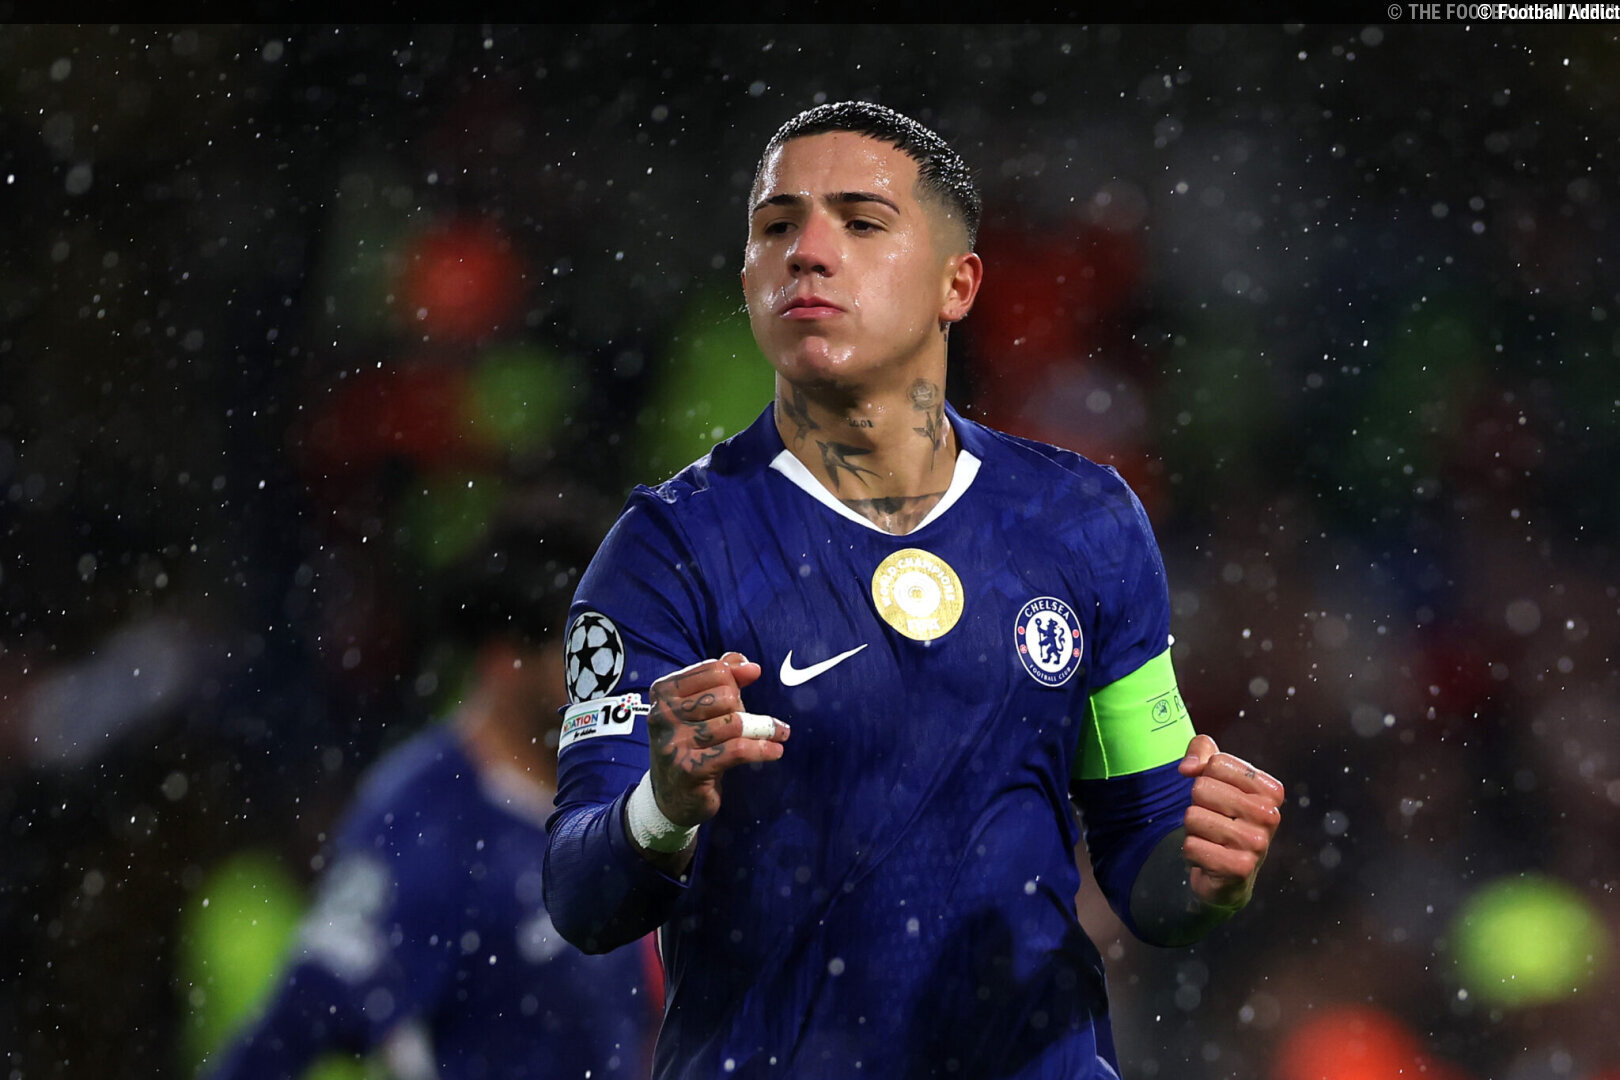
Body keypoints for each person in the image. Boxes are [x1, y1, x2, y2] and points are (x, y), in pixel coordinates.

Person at [543, 100, 1284, 1078]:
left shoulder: (1083, 521)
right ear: (749, 277)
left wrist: (1202, 871)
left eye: (860, 221)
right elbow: (581, 897)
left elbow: (1143, 838)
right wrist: (662, 805)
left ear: (957, 284)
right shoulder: (666, 550)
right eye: (776, 226)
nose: (808, 252)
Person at [208, 518, 661, 1080]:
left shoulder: (619, 791)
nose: (617, 673)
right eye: (587, 649)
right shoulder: (425, 818)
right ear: (504, 660)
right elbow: (296, 1022)